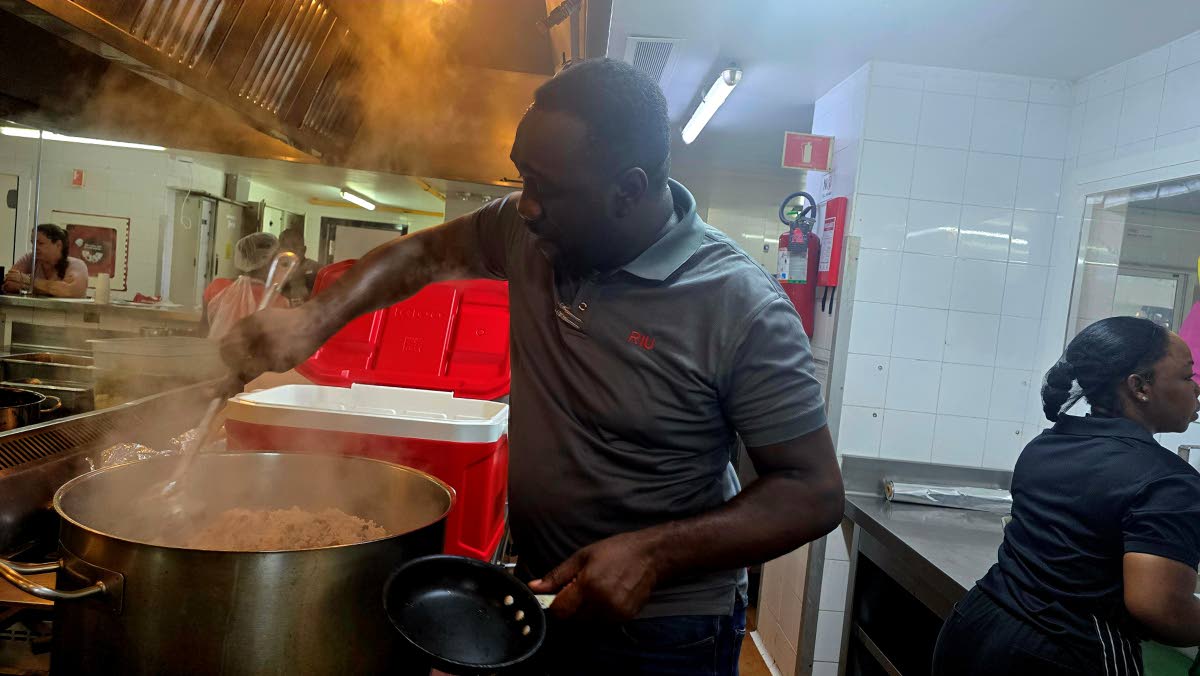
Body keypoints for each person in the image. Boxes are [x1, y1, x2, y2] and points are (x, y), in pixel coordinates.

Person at [221, 58, 843, 675]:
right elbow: (426, 253)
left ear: (627, 189)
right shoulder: (535, 234)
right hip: (543, 593)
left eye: (548, 187)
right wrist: (313, 321)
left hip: (664, 629)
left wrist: (654, 554)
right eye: (523, 177)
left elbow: (812, 492)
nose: (525, 206)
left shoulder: (739, 305)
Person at [933, 316, 1200, 676]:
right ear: (1139, 386)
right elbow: (1158, 607)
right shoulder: (1168, 480)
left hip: (974, 625)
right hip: (1065, 651)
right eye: (1187, 377)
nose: (1195, 389)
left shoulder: (1047, 445)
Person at [202, 232, 288, 337]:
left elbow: (203, 330)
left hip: (213, 352)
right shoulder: (277, 301)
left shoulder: (217, 287)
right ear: (268, 262)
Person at [2, 224, 88, 297]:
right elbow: (8, 284)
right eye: (33, 243)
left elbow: (68, 291)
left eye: (40, 243)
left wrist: (27, 281)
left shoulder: (77, 265)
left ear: (58, 245)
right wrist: (50, 288)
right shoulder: (30, 258)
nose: (34, 247)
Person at [278, 228, 320, 305]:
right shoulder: (274, 272)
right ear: (279, 250)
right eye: (286, 246)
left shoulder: (316, 269)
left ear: (304, 250)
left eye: (295, 245)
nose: (291, 250)